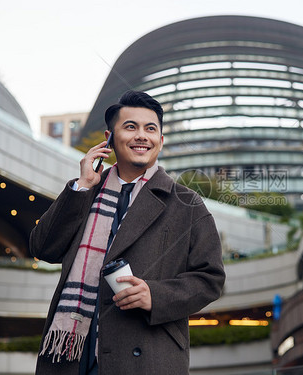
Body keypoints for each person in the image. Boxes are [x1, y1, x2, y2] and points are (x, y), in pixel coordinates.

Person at [30, 90, 225, 374]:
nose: (141, 136)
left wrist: (156, 295)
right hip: (71, 353)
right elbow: (42, 248)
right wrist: (81, 186)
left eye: (150, 129)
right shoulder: (86, 191)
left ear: (161, 140)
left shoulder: (186, 203)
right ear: (109, 137)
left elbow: (211, 278)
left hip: (146, 356)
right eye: (130, 127)